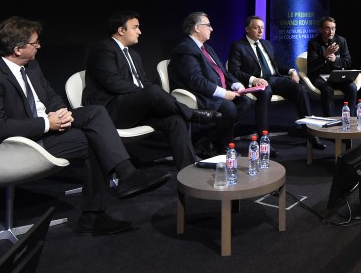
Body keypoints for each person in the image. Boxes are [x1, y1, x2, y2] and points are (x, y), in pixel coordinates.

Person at [0, 17, 171, 236]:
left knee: (96, 112)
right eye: (35, 44)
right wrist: (47, 123)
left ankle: (126, 174)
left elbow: (50, 95)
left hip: (46, 126)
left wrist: (61, 111)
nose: (39, 47)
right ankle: (96, 214)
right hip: (19, 144)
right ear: (17, 49)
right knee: (93, 140)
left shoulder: (31, 65)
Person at [83, 10, 221, 170]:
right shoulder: (103, 49)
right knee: (153, 91)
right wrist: (144, 94)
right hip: (111, 110)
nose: (139, 32)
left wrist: (146, 94)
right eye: (135, 27)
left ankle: (187, 172)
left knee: (175, 120)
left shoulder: (133, 54)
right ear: (121, 30)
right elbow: (112, 82)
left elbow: (145, 82)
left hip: (135, 109)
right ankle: (191, 113)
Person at [168, 12, 259, 155]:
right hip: (198, 94)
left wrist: (236, 84)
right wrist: (223, 93)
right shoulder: (185, 49)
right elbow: (195, 81)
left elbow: (223, 72)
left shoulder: (207, 48)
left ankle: (209, 140)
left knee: (245, 103)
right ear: (197, 28)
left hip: (213, 90)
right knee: (229, 108)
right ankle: (222, 146)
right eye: (208, 25)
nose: (211, 29)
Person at [228, 15, 320, 146]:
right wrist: (253, 79)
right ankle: (264, 140)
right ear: (247, 29)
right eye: (256, 28)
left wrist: (291, 71)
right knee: (265, 92)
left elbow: (276, 65)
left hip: (274, 78)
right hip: (258, 82)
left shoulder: (266, 44)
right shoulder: (238, 46)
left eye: (262, 28)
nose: (260, 31)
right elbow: (233, 70)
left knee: (300, 89)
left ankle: (310, 133)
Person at [306, 16, 357, 116]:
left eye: (333, 28)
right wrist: (324, 55)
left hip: (336, 76)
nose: (331, 31)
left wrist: (335, 60)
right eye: (327, 28)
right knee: (327, 89)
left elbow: (348, 62)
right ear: (320, 29)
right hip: (319, 76)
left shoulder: (341, 41)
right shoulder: (314, 43)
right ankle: (328, 121)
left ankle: (350, 119)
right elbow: (311, 66)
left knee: (352, 87)